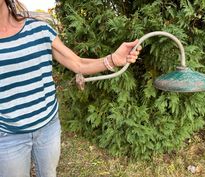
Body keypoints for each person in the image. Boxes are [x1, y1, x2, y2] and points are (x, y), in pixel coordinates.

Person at [0, 0, 142, 177]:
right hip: (8, 135)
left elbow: (78, 63)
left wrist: (113, 59)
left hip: (48, 128)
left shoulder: (39, 29)